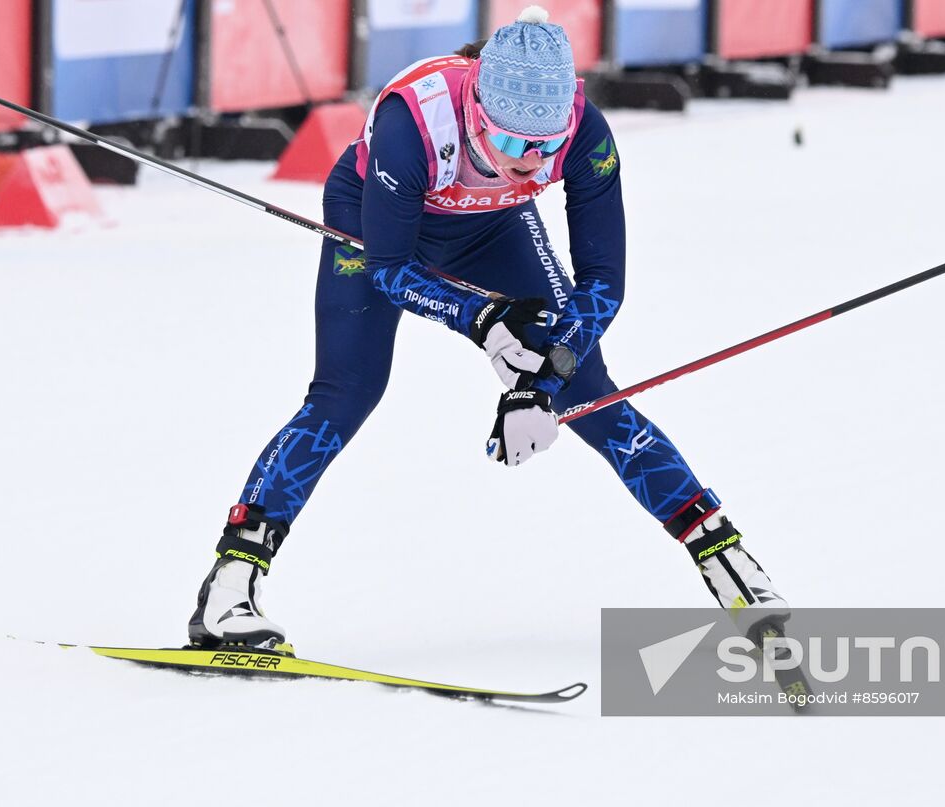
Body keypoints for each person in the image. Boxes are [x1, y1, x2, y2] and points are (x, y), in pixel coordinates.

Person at [188, 6, 790, 649]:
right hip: (379, 222)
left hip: (492, 228)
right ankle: (229, 588)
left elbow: (602, 284)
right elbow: (392, 269)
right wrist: (488, 324)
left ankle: (730, 566)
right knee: (346, 392)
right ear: (476, 112)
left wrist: (544, 379)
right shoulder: (412, 121)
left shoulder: (584, 129)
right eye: (508, 143)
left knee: (589, 390)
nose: (528, 161)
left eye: (545, 147)